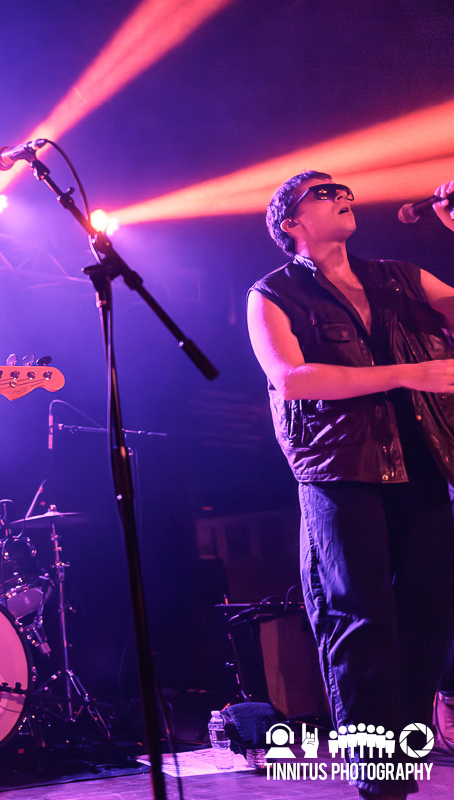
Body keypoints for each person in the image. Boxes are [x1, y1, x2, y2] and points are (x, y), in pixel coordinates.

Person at [247, 172, 454, 800]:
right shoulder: (272, 293)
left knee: (429, 613)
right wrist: (408, 373)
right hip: (340, 469)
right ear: (292, 223)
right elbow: (292, 379)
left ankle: (402, 759)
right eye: (324, 191)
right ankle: (377, 777)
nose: (343, 195)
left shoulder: (401, 277)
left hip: (422, 463)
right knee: (360, 619)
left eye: (343, 188)